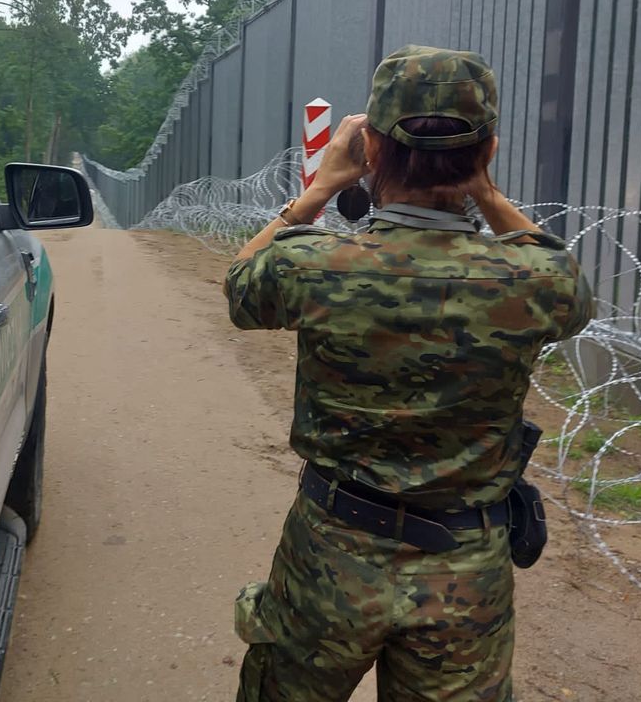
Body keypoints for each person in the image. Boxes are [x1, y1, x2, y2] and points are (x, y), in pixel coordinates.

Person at [225, 46, 594, 702]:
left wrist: (319, 189)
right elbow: (563, 273)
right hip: (464, 571)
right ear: (488, 152)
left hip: (330, 552)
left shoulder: (314, 263)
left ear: (370, 150)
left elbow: (239, 286)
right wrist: (486, 189)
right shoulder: (535, 282)